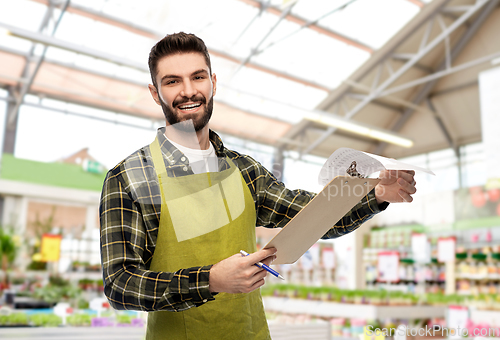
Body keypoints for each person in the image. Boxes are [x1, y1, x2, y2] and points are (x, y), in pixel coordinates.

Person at [99, 32, 417, 340]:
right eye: (172, 81)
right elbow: (120, 283)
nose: (188, 91)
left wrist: (374, 193)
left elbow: (312, 215)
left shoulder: (245, 170)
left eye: (198, 77)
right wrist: (210, 280)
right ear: (156, 93)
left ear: (213, 83)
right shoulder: (129, 178)